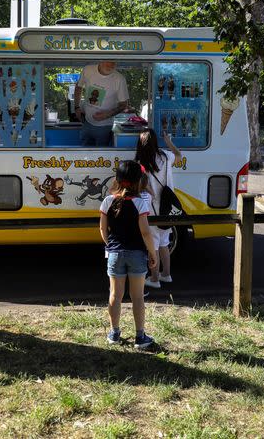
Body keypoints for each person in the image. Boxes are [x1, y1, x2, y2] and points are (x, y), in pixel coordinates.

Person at [99, 160, 158, 349]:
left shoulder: (108, 201)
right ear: (139, 181)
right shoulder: (140, 203)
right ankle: (140, 337)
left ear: (117, 179)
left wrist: (110, 245)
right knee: (138, 297)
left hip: (115, 254)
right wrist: (152, 252)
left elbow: (102, 228)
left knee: (115, 295)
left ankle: (114, 333)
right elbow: (146, 232)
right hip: (137, 255)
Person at [135, 128, 182, 289]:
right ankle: (166, 274)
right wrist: (168, 141)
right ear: (155, 142)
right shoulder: (166, 157)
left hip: (152, 209)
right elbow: (179, 155)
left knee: (152, 245)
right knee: (164, 242)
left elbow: (144, 188)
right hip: (167, 208)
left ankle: (154, 278)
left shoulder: (141, 164)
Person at [73, 61, 129, 146]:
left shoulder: (120, 79)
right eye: (108, 61)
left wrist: (107, 115)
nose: (111, 65)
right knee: (84, 153)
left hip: (104, 126)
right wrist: (77, 107)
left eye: (114, 62)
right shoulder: (88, 70)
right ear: (101, 59)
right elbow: (79, 86)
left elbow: (124, 104)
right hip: (86, 121)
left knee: (101, 156)